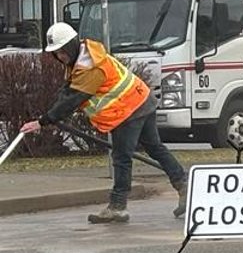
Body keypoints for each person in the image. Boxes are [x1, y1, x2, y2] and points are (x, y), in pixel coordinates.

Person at [23, 21, 189, 224]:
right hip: (141, 100)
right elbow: (67, 92)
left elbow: (73, 99)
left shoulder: (89, 67)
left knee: (121, 157)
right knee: (155, 148)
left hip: (127, 110)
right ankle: (184, 185)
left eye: (61, 52)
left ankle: (117, 207)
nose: (60, 57)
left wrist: (43, 121)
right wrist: (49, 114)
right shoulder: (86, 55)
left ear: (71, 46)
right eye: (56, 53)